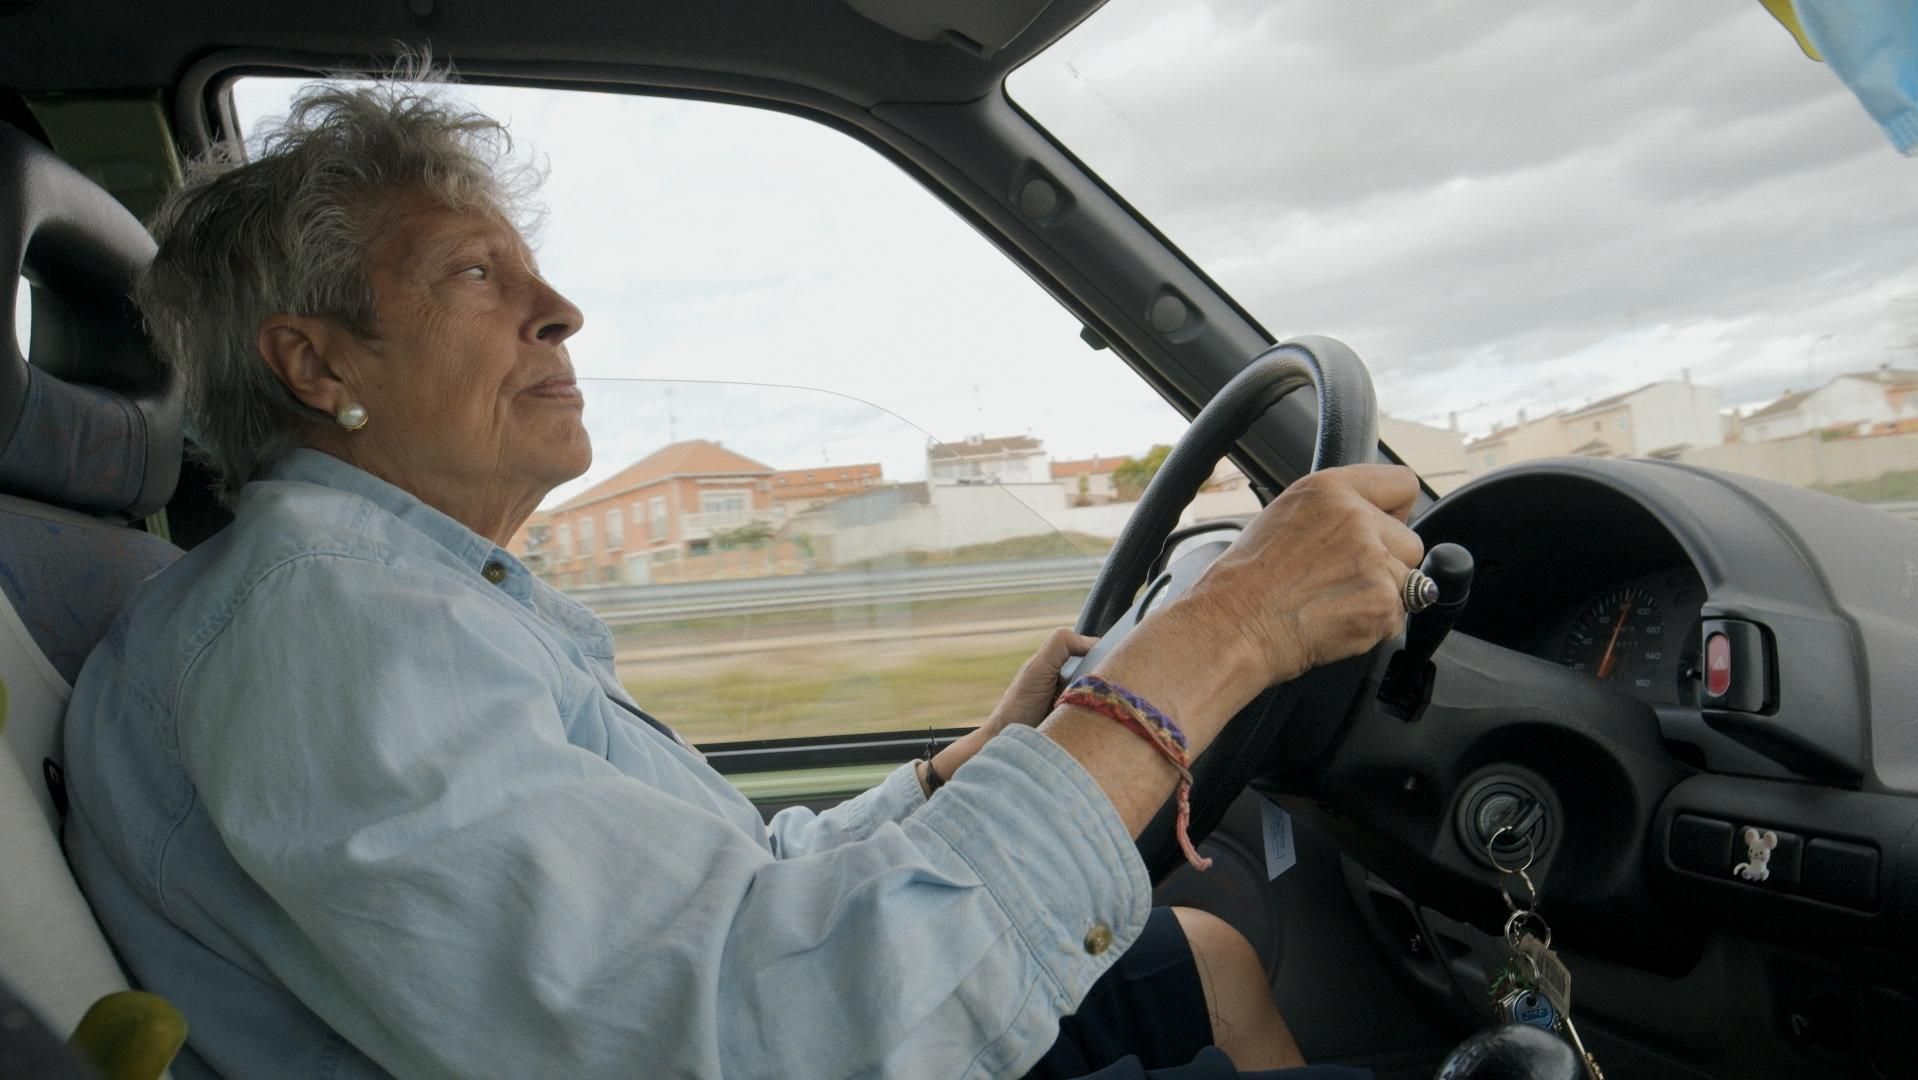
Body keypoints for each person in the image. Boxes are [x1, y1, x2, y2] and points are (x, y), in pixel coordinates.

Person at [61, 71, 1423, 1080]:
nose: (562, 310)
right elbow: (755, 1031)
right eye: (476, 272)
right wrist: (1228, 629)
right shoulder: (327, 634)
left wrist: (977, 762)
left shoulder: (411, 596)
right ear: (318, 365)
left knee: (1208, 956)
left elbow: (721, 895)